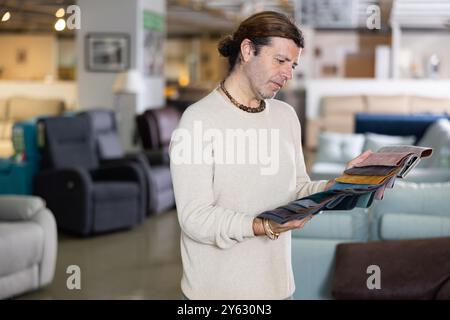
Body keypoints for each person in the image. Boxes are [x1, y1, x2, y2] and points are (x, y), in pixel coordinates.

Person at [169, 11, 371, 300]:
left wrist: (340, 185)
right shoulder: (197, 120)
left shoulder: (286, 116)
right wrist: (262, 226)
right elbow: (195, 218)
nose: (288, 74)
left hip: (279, 289)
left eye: (293, 65)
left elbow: (298, 188)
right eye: (280, 60)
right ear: (248, 50)